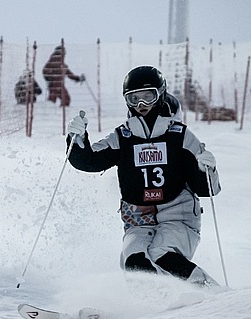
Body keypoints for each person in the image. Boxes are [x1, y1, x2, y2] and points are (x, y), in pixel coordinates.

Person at [66, 66, 221, 287]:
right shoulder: (123, 137)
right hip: (138, 222)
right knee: (134, 260)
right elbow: (88, 161)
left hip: (179, 218)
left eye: (148, 97)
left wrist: (207, 169)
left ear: (161, 94)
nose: (141, 105)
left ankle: (207, 290)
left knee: (160, 253)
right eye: (134, 98)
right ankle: (149, 305)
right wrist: (77, 138)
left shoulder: (180, 136)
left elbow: (208, 189)